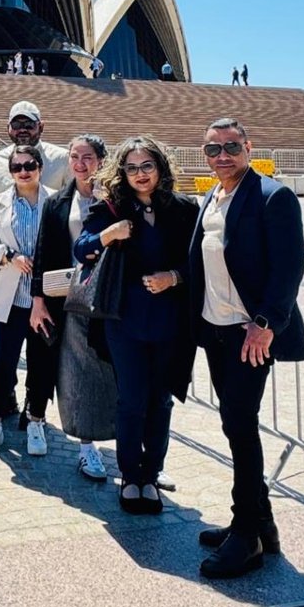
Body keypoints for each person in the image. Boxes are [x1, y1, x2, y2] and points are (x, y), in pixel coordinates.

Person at [189, 119, 304, 578]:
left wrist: (265, 324)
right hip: (216, 331)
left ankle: (247, 535)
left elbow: (289, 266)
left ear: (249, 148)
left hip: (248, 334)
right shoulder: (211, 199)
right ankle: (264, 525)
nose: (222, 156)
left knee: (241, 428)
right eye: (212, 149)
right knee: (234, 423)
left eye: (231, 147)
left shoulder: (272, 196)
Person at [74, 135, 198, 514]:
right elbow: (82, 248)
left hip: (168, 320)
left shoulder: (182, 209)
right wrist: (107, 235)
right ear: (122, 172)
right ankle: (131, 475)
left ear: (160, 168)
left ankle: (152, 471)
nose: (140, 174)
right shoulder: (109, 207)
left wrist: (173, 278)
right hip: (124, 319)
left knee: (160, 399)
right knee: (131, 398)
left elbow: (198, 264)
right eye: (132, 168)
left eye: (147, 166)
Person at [31, 134, 114, 481]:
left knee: (100, 372)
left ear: (101, 160)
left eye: (88, 157)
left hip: (106, 297)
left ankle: (103, 443)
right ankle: (55, 428)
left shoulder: (114, 201)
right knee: (61, 365)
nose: (81, 164)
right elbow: (42, 251)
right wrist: (37, 299)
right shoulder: (57, 202)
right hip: (64, 297)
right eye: (74, 157)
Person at [0, 145, 57, 456]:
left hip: (44, 298)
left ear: (39, 166)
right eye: (17, 167)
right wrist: (8, 256)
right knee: (5, 363)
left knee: (41, 363)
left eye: (30, 165)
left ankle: (35, 419)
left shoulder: (56, 200)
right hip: (10, 296)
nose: (24, 171)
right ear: (10, 172)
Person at [0, 101, 69, 196]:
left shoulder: (62, 159)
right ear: (8, 128)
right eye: (16, 125)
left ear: (41, 127)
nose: (22, 130)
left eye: (29, 125)